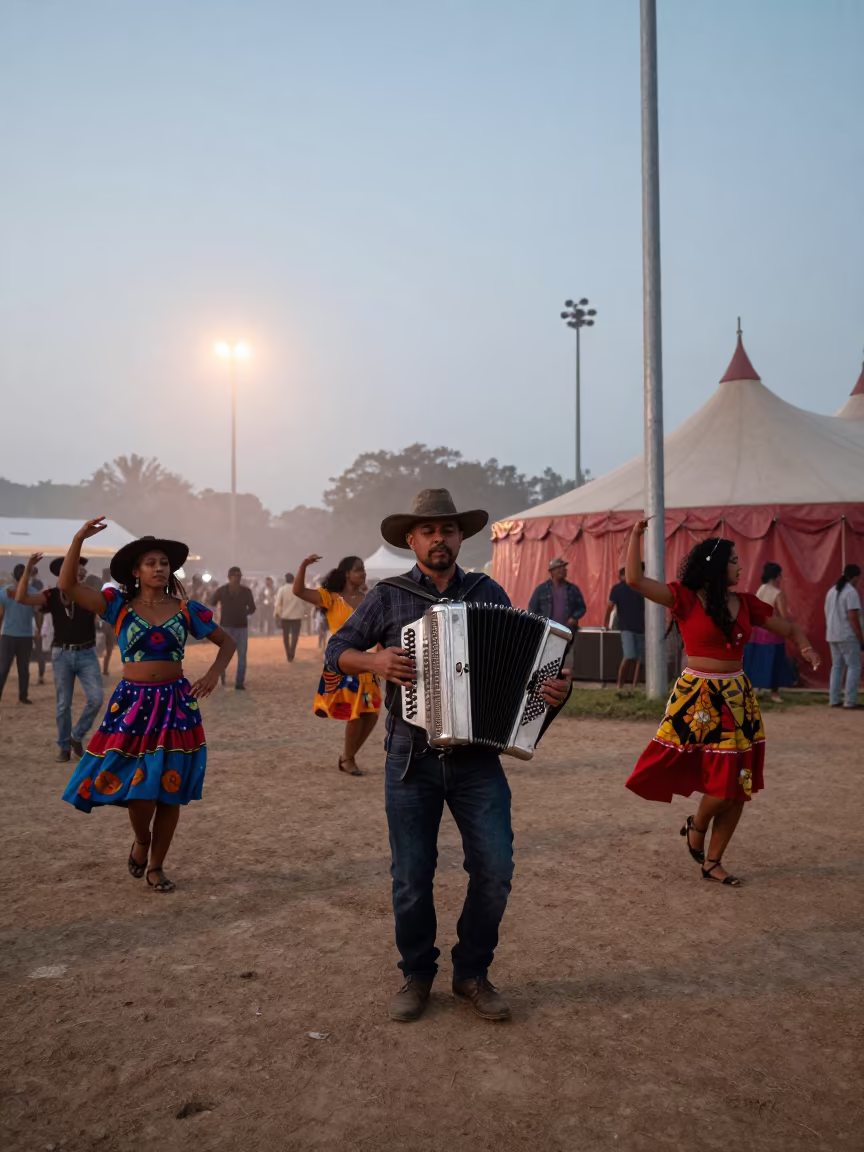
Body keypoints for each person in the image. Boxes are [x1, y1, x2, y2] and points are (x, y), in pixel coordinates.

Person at [326, 488, 572, 1023]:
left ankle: (471, 973)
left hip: (478, 759)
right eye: (429, 531)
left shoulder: (488, 591)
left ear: (461, 537)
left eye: (449, 530)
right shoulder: (387, 595)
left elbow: (527, 674)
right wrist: (375, 660)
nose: (440, 538)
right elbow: (336, 652)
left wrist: (552, 691)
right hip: (408, 756)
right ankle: (417, 974)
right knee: (412, 875)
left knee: (496, 867)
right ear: (411, 540)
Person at [623, 520, 820, 886]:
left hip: (738, 698)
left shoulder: (746, 604)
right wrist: (635, 536)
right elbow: (634, 580)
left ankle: (713, 861)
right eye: (733, 561)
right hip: (700, 698)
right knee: (722, 784)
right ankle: (697, 825)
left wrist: (805, 647)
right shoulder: (683, 597)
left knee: (739, 786)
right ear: (716, 566)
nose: (740, 567)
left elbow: (789, 629)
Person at [58, 520, 236, 892]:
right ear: (136, 572)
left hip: (176, 705)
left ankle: (156, 866)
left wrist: (214, 674)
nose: (159, 568)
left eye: (164, 563)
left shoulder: (187, 609)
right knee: (140, 791)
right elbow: (69, 586)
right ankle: (142, 840)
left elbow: (228, 643)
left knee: (170, 789)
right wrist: (77, 540)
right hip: (133, 706)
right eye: (151, 563)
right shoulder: (117, 606)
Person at [293, 554, 382, 776]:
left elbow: (380, 630)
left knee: (372, 714)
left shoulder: (368, 599)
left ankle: (347, 756)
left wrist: (381, 656)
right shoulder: (331, 598)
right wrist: (303, 565)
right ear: (347, 574)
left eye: (363, 570)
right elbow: (299, 591)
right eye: (358, 569)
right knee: (355, 713)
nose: (363, 573)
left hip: (366, 663)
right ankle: (348, 758)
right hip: (343, 661)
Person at [13, 553, 104, 762]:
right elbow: (21, 598)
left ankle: (75, 736)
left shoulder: (88, 594)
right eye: (76, 566)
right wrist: (28, 568)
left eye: (82, 567)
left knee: (97, 698)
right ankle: (63, 747)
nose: (81, 569)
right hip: (62, 654)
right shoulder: (51, 595)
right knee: (63, 704)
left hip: (87, 653)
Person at [742, 563, 790, 703]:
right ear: (777, 576)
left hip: (758, 631)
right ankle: (775, 694)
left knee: (758, 660)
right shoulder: (778, 593)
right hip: (773, 632)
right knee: (775, 662)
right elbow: (784, 616)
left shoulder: (761, 589)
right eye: (780, 575)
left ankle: (757, 689)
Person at [528, 558, 586, 669]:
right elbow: (532, 609)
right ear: (551, 572)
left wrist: (574, 617)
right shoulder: (541, 590)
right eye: (559, 568)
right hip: (548, 630)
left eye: (564, 568)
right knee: (548, 655)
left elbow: (582, 607)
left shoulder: (572, 589)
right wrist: (539, 623)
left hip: (567, 629)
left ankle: (557, 677)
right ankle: (548, 678)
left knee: (563, 655)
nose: (563, 570)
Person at [0, 562, 40, 705]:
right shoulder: (33, 592)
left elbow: (1, 614)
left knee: (3, 668)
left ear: (13, 576)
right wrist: (39, 630)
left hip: (8, 635)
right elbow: (37, 613)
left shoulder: (5, 591)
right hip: (25, 636)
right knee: (23, 668)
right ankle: (23, 696)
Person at [824, 563, 862, 709]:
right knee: (854, 667)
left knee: (837, 667)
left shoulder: (831, 591)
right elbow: (853, 618)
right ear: (855, 577)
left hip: (832, 634)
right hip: (847, 635)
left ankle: (834, 700)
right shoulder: (851, 592)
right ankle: (850, 701)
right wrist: (860, 637)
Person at [210, 567, 255, 689]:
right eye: (235, 576)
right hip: (226, 626)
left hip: (241, 626)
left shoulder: (246, 591)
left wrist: (244, 613)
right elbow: (212, 602)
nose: (237, 578)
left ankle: (239, 682)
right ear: (229, 577)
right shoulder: (222, 591)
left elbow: (252, 608)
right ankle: (223, 674)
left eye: (239, 576)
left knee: (241, 656)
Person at [604, 567, 646, 690]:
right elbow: (609, 607)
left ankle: (631, 686)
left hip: (637, 627)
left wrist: (606, 623)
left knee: (637, 659)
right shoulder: (620, 589)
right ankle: (621, 686)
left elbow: (609, 607)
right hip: (629, 627)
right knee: (631, 656)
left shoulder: (638, 588)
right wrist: (606, 623)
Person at [274, 572, 306, 662]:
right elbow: (304, 602)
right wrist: (304, 612)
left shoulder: (282, 589)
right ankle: (292, 651)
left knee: (285, 636)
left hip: (285, 617)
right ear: (293, 580)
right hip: (296, 616)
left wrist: (277, 614)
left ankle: (288, 653)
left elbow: (278, 604)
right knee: (295, 636)